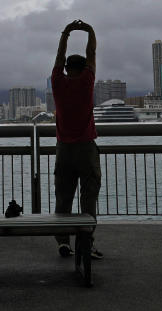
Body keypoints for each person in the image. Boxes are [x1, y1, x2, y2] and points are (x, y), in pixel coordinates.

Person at [50, 19, 103, 260]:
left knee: (63, 197)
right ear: (83, 70)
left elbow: (58, 58)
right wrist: (89, 30)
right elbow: (91, 53)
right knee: (88, 197)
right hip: (86, 149)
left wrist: (66, 33)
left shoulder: (58, 83)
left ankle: (63, 242)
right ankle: (86, 242)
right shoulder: (86, 82)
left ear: (66, 69)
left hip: (64, 150)